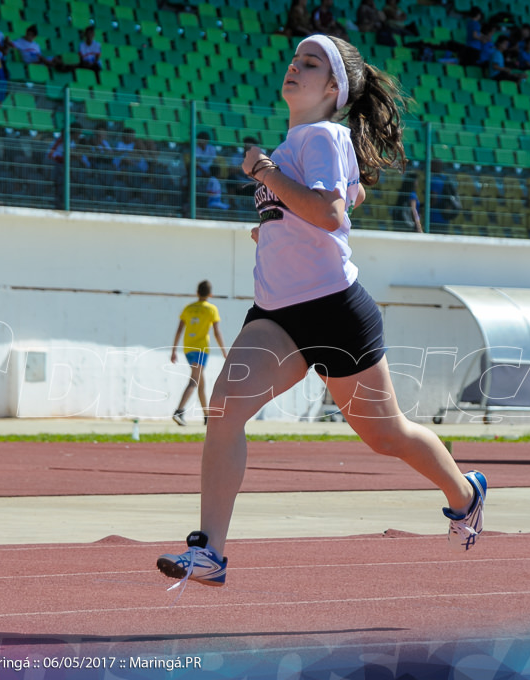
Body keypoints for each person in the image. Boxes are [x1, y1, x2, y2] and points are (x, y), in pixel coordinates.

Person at [156, 33, 488, 589]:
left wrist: (264, 174)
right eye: (294, 59)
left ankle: (465, 492)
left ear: (334, 89)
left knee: (386, 436)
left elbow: (331, 213)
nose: (294, 67)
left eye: (310, 64)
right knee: (224, 409)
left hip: (335, 311)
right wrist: (274, 227)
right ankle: (210, 550)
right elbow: (344, 198)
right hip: (277, 314)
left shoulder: (322, 135)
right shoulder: (303, 144)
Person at [170, 280, 228, 426]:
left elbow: (179, 329)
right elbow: (216, 332)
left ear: (197, 292)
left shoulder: (188, 308)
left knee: (201, 383)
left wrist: (174, 350)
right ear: (210, 294)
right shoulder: (211, 309)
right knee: (194, 381)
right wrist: (224, 351)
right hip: (201, 349)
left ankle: (207, 415)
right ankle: (179, 411)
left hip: (188, 349)